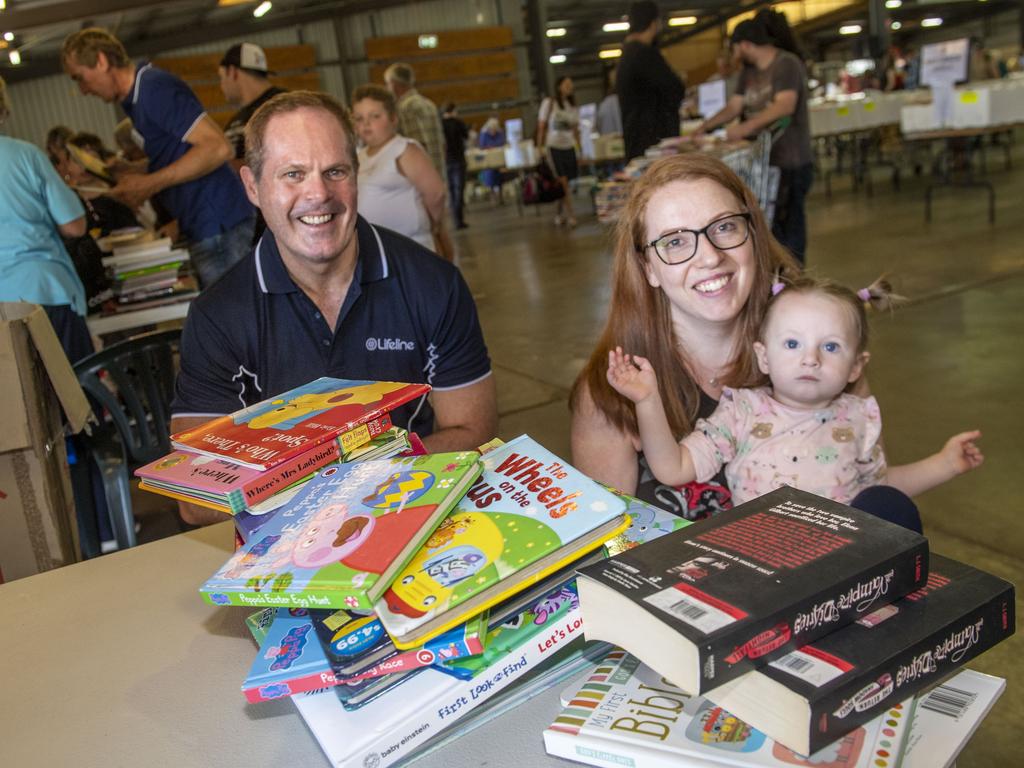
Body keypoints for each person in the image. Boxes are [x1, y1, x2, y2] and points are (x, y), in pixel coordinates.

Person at [169, 90, 497, 526]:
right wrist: (336, 481)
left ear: (356, 173)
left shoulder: (434, 285)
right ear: (252, 186)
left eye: (335, 171)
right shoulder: (218, 316)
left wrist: (358, 479)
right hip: (282, 540)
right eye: (293, 174)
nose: (318, 194)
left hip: (411, 510)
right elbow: (195, 500)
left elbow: (474, 433)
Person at [605, 275, 983, 530]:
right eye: (792, 344)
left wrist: (944, 464)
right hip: (762, 566)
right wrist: (647, 401)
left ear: (856, 366)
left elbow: (879, 491)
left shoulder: (857, 417)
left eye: (830, 346)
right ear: (764, 357)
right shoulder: (742, 412)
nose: (810, 358)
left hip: (842, 564)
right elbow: (674, 469)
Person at [569, 153, 800, 521]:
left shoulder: (813, 345)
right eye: (675, 242)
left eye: (724, 227)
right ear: (649, 269)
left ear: (752, 235)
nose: (709, 257)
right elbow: (607, 549)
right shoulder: (609, 393)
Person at [61, 27, 255, 288]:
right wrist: (134, 169)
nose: (83, 90)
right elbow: (179, 153)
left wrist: (150, 183)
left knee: (236, 316)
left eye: (80, 78)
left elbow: (218, 148)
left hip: (219, 225)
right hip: (203, 225)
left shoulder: (153, 88)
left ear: (101, 61)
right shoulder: (136, 101)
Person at [697, 9, 813, 265]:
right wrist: (705, 127)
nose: (734, 55)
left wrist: (745, 128)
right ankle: (777, 275)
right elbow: (734, 107)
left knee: (791, 224)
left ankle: (795, 277)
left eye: (736, 48)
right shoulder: (748, 74)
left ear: (746, 45)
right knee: (769, 226)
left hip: (791, 160)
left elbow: (784, 106)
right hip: (763, 162)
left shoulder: (786, 64)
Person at [0, 76, 93, 364]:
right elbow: (74, 225)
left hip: (4, 308)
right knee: (77, 397)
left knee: (20, 405)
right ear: (3, 108)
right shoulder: (25, 155)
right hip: (44, 290)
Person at [351, 84, 454, 260]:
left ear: (393, 118)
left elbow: (436, 194)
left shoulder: (405, 150)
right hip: (378, 251)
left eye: (375, 116)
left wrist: (433, 225)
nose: (366, 124)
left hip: (413, 247)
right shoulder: (359, 157)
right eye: (359, 118)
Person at [616, 1, 686, 161]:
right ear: (654, 23)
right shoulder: (644, 54)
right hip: (654, 146)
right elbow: (675, 88)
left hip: (637, 143)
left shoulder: (627, 53)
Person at [218, 43, 287, 170]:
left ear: (232, 72)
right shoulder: (237, 120)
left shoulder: (286, 105)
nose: (221, 85)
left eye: (221, 77)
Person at [384, 62, 446, 182]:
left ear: (394, 84)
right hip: (439, 175)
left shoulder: (405, 107)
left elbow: (417, 146)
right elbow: (443, 145)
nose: (387, 88)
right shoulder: (429, 104)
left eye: (387, 84)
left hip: (421, 181)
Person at [536, 76, 580, 228]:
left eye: (571, 84)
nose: (569, 87)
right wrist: (539, 147)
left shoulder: (571, 106)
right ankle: (571, 215)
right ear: (559, 86)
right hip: (553, 147)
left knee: (564, 183)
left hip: (569, 147)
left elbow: (576, 130)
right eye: (567, 84)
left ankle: (558, 214)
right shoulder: (549, 103)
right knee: (563, 181)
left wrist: (580, 149)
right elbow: (541, 126)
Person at [441, 102, 469, 230]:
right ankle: (459, 220)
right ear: (454, 110)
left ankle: (454, 219)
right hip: (458, 159)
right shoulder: (458, 123)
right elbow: (466, 136)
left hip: (446, 161)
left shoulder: (440, 124)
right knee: (459, 190)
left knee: (451, 191)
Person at [477, 117, 506, 202]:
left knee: (500, 177)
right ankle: (492, 194)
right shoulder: (484, 133)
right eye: (491, 129)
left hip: (498, 157)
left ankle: (500, 195)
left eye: (494, 129)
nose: (493, 131)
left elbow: (502, 142)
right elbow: (482, 145)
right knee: (490, 176)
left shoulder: (500, 132)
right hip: (488, 159)